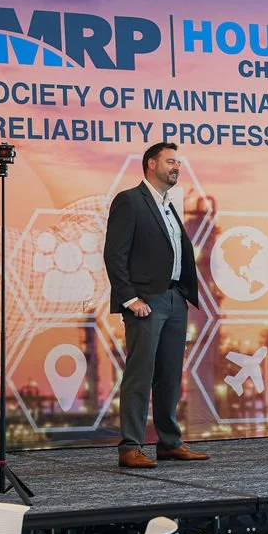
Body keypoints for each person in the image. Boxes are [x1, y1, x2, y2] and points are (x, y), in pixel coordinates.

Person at [103, 142, 209, 468]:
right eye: (170, 162)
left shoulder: (168, 205)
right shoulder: (130, 201)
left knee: (170, 376)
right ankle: (130, 447)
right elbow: (114, 253)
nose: (177, 167)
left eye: (178, 163)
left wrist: (184, 296)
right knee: (140, 375)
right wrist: (129, 298)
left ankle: (169, 442)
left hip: (176, 300)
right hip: (147, 302)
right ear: (151, 164)